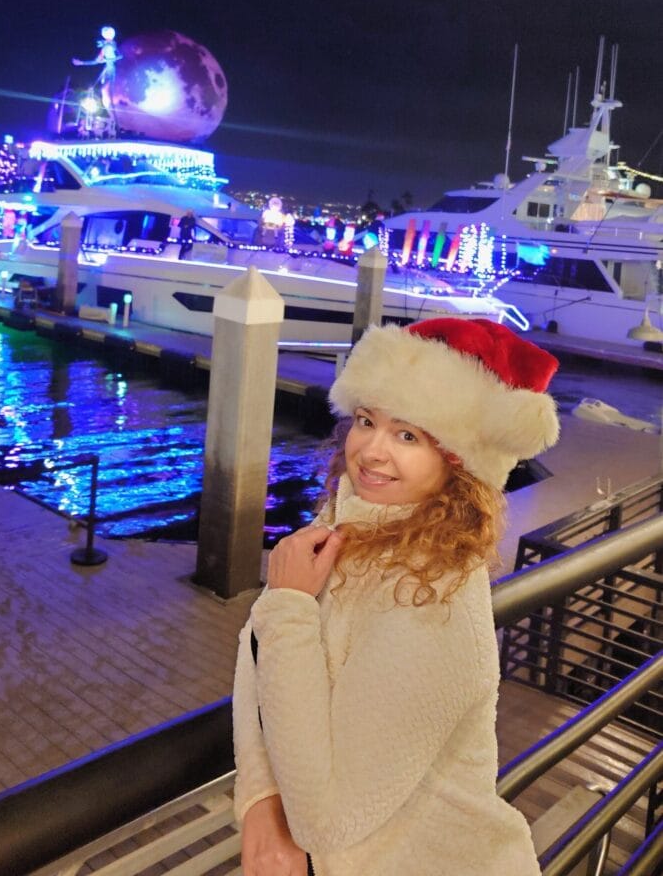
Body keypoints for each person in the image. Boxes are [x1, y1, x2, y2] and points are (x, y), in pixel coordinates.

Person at [232, 317, 561, 876]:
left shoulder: (434, 602)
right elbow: (256, 651)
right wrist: (262, 797)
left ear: (459, 465)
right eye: (366, 421)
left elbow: (325, 820)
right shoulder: (351, 525)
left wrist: (287, 605)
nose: (371, 452)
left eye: (408, 435)